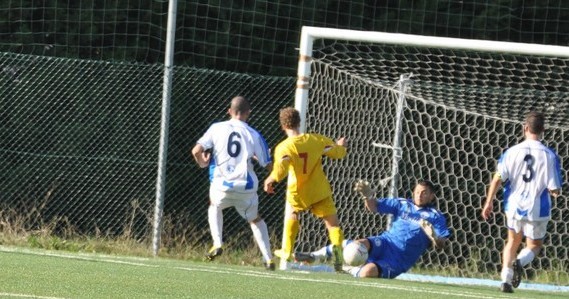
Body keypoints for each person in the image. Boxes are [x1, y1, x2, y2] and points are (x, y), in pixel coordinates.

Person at [295, 179, 451, 279]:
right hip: (385, 243)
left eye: (424, 193)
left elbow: (442, 245)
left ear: (432, 196)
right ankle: (314, 256)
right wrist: (368, 196)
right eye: (417, 191)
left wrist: (435, 237)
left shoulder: (436, 216)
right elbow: (374, 206)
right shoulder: (403, 203)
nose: (419, 195)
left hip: (398, 260)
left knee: (367, 272)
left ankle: (334, 268)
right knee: (357, 245)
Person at [481, 111, 562, 293]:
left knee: (512, 241)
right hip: (537, 209)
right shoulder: (549, 155)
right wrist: (555, 192)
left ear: (525, 128)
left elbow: (497, 179)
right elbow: (554, 188)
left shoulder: (511, 152)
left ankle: (505, 281)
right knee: (534, 245)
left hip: (514, 206)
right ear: (543, 130)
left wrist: (488, 202)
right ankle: (520, 262)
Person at [191, 96, 275, 270]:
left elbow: (196, 150)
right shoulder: (253, 134)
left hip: (222, 186)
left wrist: (202, 162)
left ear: (229, 111)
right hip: (246, 187)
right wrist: (274, 178)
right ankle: (268, 259)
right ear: (248, 113)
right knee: (255, 219)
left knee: (214, 205)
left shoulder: (216, 128)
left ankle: (217, 243)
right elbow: (267, 164)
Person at [263, 107, 347, 271]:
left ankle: (287, 251)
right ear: (299, 123)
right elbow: (338, 153)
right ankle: (338, 260)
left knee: (293, 213)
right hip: (319, 189)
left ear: (282, 126)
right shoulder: (316, 140)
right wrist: (341, 146)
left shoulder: (284, 147)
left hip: (298, 191)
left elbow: (280, 170)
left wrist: (270, 179)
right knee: (333, 225)